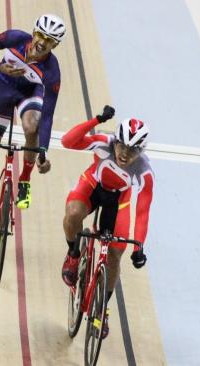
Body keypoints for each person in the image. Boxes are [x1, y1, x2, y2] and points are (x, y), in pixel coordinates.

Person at [61, 105, 154, 339]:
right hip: (92, 186)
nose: (125, 154)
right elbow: (67, 141)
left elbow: (142, 211)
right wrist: (96, 120)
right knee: (73, 214)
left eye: (133, 151)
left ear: (141, 152)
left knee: (115, 254)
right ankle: (73, 255)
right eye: (122, 146)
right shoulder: (104, 143)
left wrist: (138, 247)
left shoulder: (144, 172)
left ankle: (102, 309)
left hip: (118, 202)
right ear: (116, 141)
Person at [0, 14, 66, 248]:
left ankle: (24, 179)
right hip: (1, 91)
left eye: (51, 40)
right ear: (34, 32)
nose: (43, 42)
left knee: (31, 125)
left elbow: (48, 115)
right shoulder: (15, 38)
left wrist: (43, 151)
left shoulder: (52, 72)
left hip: (29, 94)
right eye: (41, 35)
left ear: (55, 45)